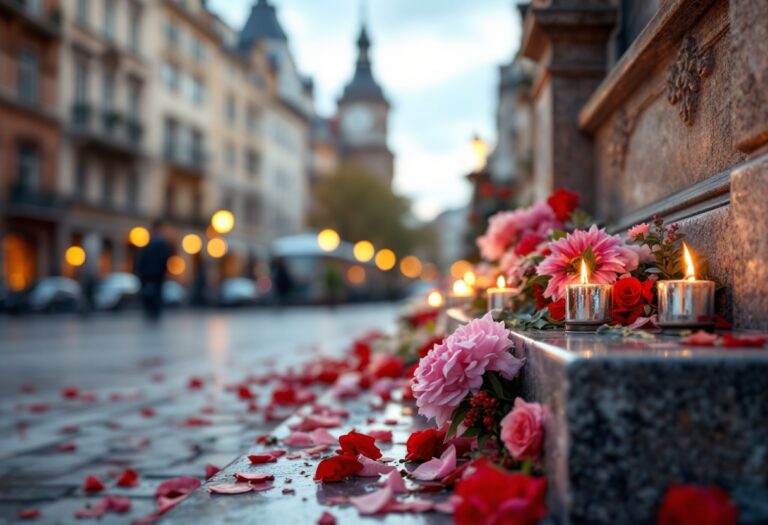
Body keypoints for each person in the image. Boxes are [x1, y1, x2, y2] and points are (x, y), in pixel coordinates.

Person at [135, 219, 172, 322]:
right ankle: (153, 312)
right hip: (153, 275)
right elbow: (165, 258)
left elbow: (142, 258)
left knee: (151, 294)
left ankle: (152, 312)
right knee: (154, 294)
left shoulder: (151, 242)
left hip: (151, 275)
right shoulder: (159, 243)